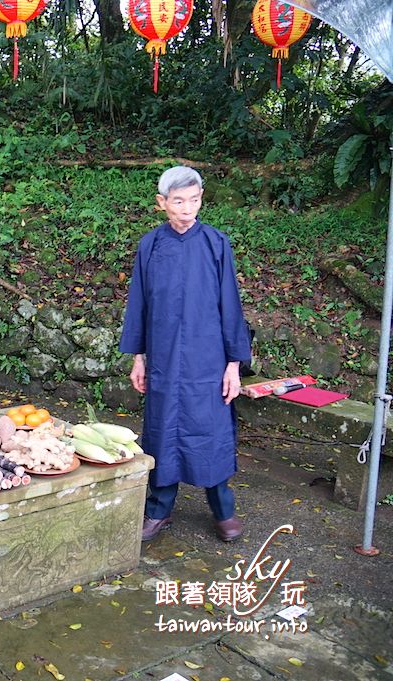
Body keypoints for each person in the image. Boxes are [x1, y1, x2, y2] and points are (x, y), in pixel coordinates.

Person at [119, 166, 251, 543]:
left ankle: (223, 509)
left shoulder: (215, 243)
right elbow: (139, 304)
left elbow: (231, 305)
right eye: (178, 201)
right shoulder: (151, 245)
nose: (187, 208)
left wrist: (233, 366)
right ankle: (158, 510)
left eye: (194, 200)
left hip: (207, 361)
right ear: (162, 203)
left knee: (210, 431)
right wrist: (138, 358)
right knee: (162, 433)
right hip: (162, 360)